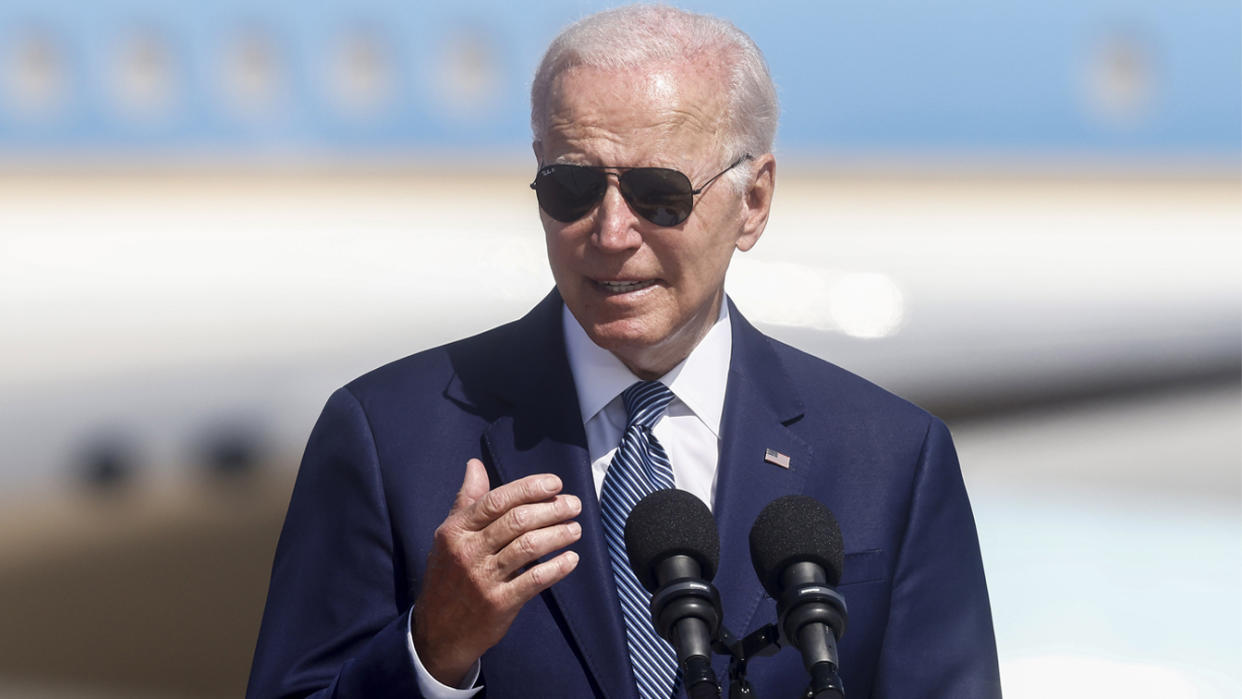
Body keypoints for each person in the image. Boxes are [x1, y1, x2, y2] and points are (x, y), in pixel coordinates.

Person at [246, 6, 1001, 698]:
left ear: (755, 201)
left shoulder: (889, 456)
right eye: (571, 188)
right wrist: (430, 650)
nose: (610, 233)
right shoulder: (390, 436)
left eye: (658, 193)